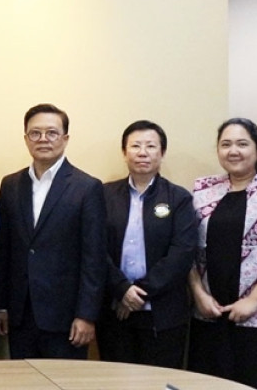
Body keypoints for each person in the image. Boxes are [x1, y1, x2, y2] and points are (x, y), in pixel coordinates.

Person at [0, 103, 105, 359]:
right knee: (23, 378)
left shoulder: (87, 187)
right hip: (20, 314)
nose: (43, 139)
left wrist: (86, 315)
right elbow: (4, 250)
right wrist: (2, 305)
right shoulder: (10, 185)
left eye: (52, 133)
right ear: (26, 139)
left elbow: (94, 258)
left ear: (65, 138)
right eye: (35, 133)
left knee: (65, 379)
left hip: (66, 318)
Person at [97, 120, 195, 369]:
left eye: (151, 146)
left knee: (159, 380)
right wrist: (121, 289)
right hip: (114, 311)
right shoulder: (103, 195)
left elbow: (182, 252)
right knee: (115, 380)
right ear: (124, 152)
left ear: (162, 153)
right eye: (135, 146)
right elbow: (94, 248)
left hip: (163, 315)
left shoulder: (179, 198)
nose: (143, 152)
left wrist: (137, 292)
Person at [188, 117, 257, 387]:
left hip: (253, 316)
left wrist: (253, 301)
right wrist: (199, 295)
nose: (233, 151)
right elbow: (186, 247)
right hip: (209, 313)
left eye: (242, 144)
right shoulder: (203, 190)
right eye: (226, 144)